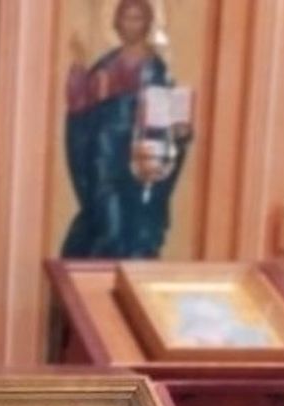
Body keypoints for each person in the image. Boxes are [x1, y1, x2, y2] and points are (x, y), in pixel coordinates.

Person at [60, 0, 192, 259]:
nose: (131, 25)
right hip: (104, 157)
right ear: (116, 23)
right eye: (126, 18)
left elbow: (170, 122)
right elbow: (80, 107)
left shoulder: (157, 70)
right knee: (107, 224)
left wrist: (180, 133)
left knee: (135, 229)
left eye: (137, 18)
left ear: (148, 24)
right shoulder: (105, 65)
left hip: (139, 159)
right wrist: (78, 69)